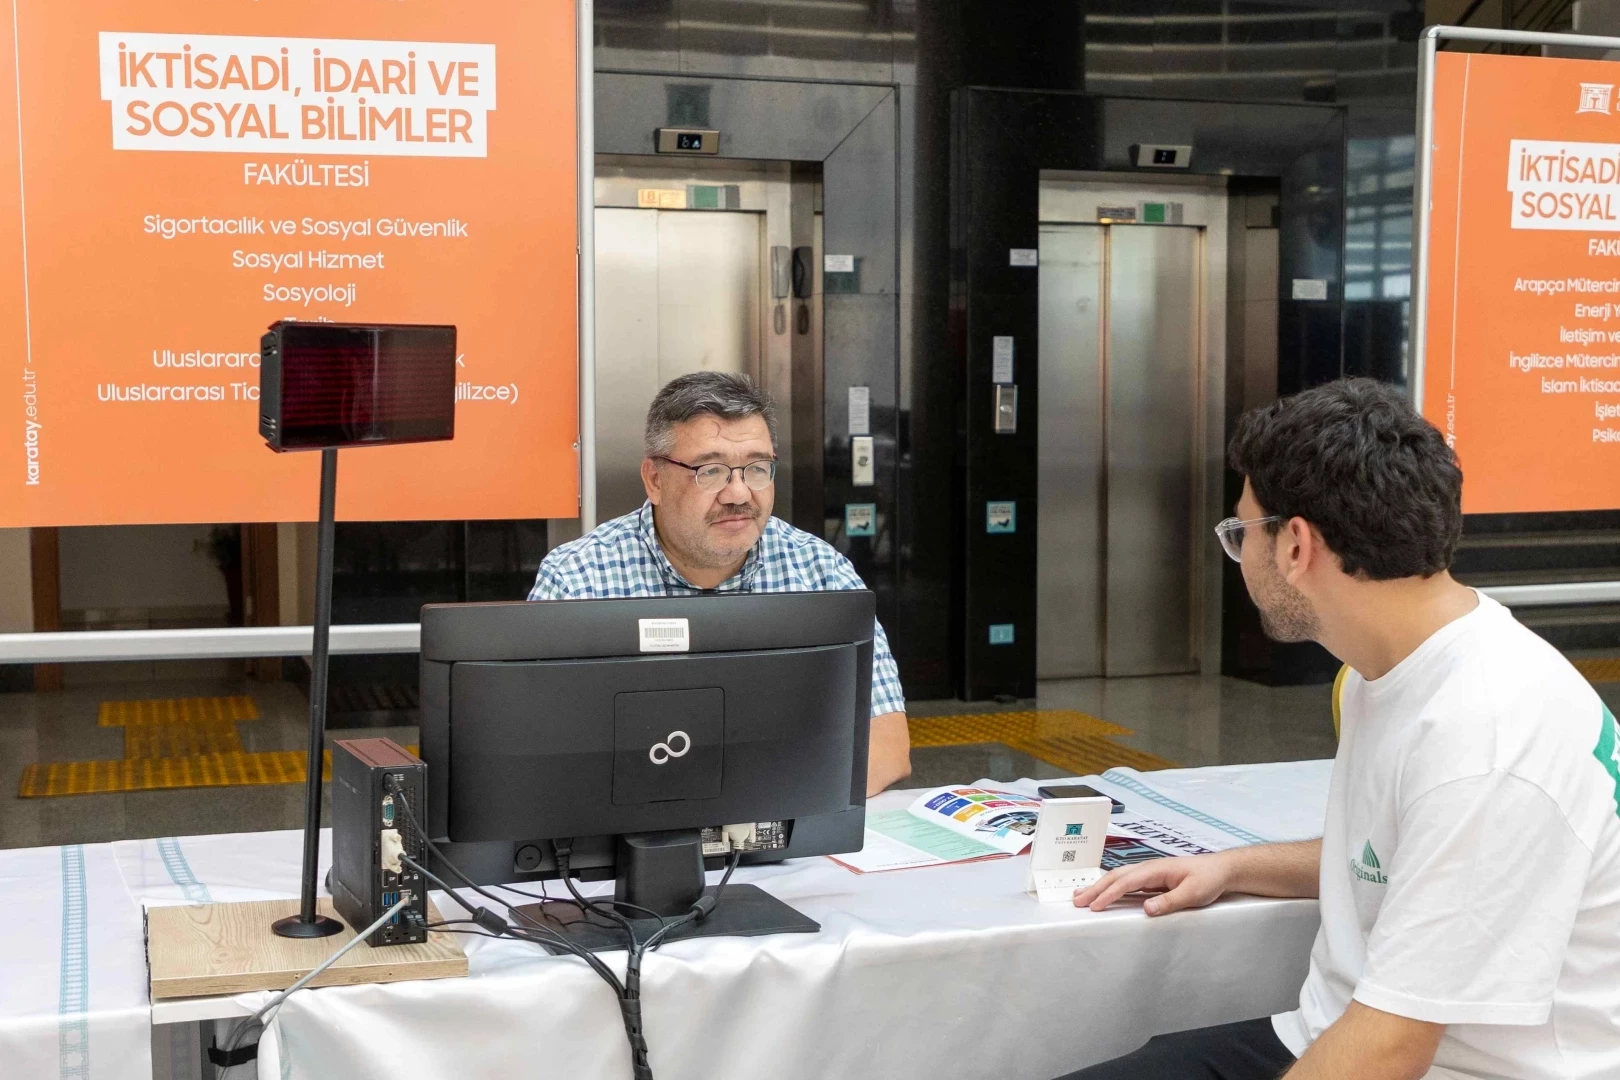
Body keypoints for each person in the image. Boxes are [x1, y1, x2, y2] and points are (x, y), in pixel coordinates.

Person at [1057, 379, 1620, 1080]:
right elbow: (1401, 854)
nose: (1240, 558)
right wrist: (1232, 867)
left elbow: (1391, 1049)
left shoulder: (1489, 733)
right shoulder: (1383, 669)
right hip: (1325, 1031)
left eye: (1241, 534)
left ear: (1296, 545)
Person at [529, 370, 911, 796]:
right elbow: (537, 753)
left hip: (780, 822)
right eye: (710, 471)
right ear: (655, 480)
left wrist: (747, 809)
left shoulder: (820, 572)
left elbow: (887, 748)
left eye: (757, 468)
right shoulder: (577, 579)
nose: (739, 494)